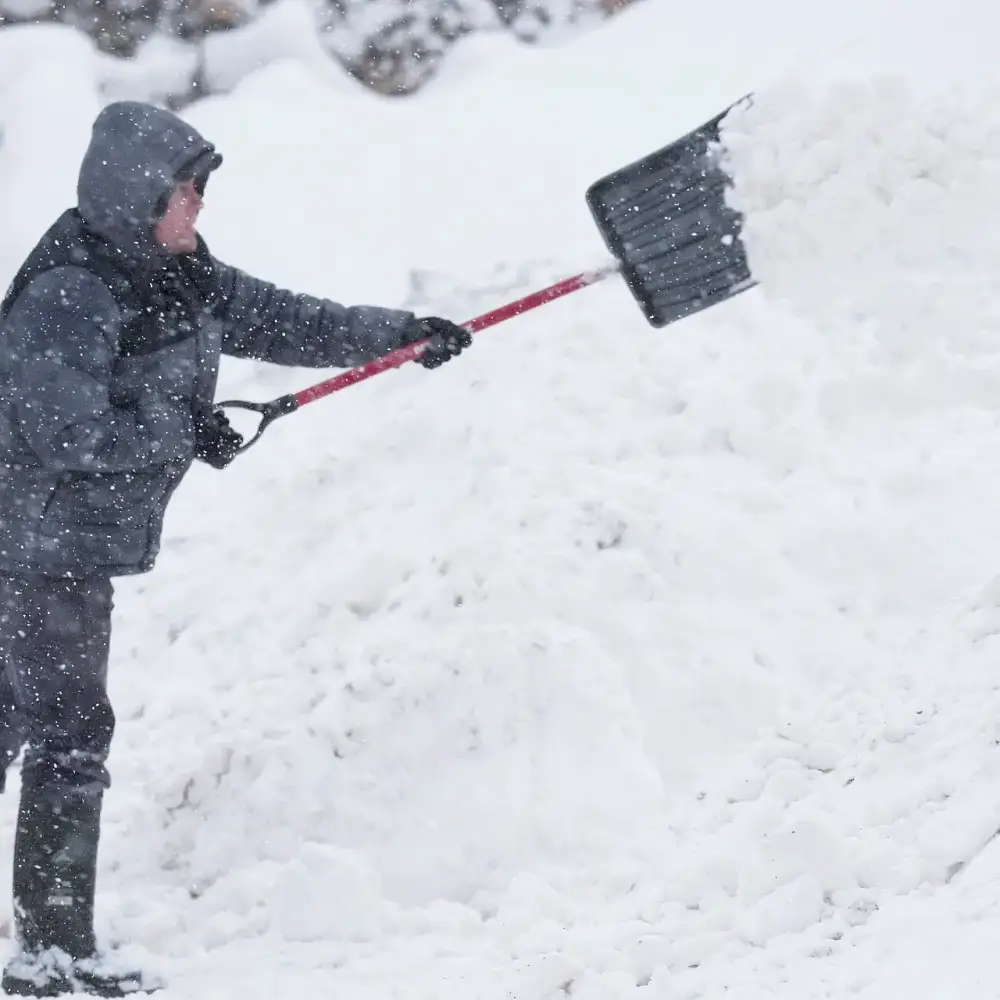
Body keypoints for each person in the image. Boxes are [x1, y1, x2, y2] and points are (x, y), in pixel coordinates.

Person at [0, 100, 472, 997]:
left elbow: (292, 322)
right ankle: (52, 961)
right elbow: (62, 431)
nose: (200, 207)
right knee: (68, 731)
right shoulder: (76, 288)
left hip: (52, 541)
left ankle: (47, 949)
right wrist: (179, 431)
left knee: (13, 717)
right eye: (187, 191)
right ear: (139, 196)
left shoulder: (174, 274)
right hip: (30, 543)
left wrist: (405, 333)